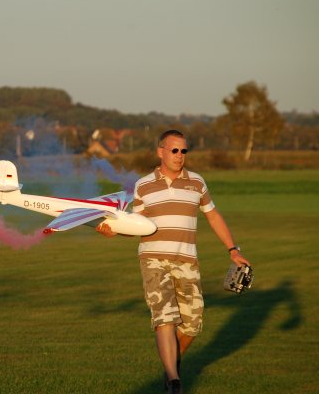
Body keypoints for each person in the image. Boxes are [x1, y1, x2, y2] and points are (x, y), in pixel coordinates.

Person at [96, 129, 251, 394]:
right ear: (161, 152)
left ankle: (171, 366)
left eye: (184, 151)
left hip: (187, 260)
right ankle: (174, 381)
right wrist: (112, 230)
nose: (180, 156)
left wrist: (233, 250)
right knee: (165, 318)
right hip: (153, 259)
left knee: (193, 323)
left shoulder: (197, 183)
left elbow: (213, 216)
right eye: (175, 150)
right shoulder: (143, 185)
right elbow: (135, 225)